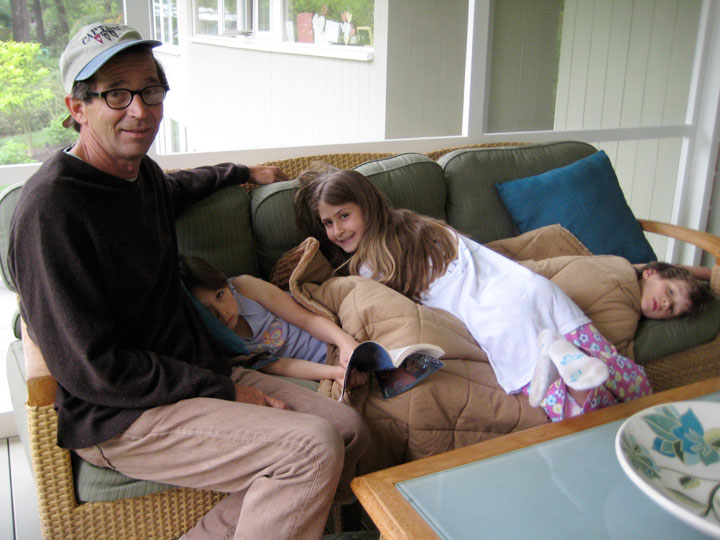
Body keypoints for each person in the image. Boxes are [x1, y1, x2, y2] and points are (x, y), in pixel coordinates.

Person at [9, 23, 369, 540]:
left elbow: (177, 187)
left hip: (192, 374)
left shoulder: (140, 176)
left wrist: (239, 171)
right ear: (77, 106)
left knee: (349, 429)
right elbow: (96, 371)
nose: (140, 109)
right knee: (310, 446)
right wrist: (224, 390)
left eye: (150, 91)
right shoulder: (52, 212)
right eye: (116, 93)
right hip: (122, 412)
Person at [293, 168, 660, 421]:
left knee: (582, 414)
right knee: (633, 384)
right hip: (534, 289)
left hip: (499, 318)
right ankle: (568, 357)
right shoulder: (422, 226)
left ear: (368, 208)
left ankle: (555, 360)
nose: (337, 230)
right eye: (328, 222)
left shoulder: (370, 265)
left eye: (344, 216)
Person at [179, 254, 368, 388]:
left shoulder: (244, 287)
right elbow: (282, 365)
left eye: (220, 295)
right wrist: (334, 373)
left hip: (332, 332)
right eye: (207, 311)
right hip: (319, 367)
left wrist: (344, 342)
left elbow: (307, 319)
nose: (221, 312)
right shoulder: (226, 347)